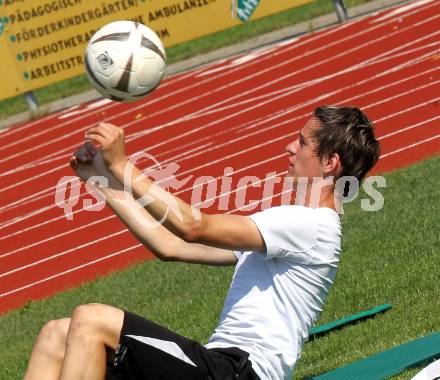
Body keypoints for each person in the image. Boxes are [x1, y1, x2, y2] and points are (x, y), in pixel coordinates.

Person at [23, 106, 380, 380]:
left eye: (302, 141)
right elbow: (170, 246)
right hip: (215, 366)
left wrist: (123, 165)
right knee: (57, 333)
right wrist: (102, 181)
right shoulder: (289, 226)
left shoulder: (311, 224)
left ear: (330, 162)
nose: (290, 146)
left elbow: (193, 227)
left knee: (91, 318)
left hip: (238, 374)